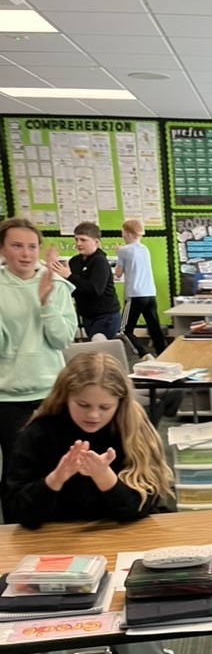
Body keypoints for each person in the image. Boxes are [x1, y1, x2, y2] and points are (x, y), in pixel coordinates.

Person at [4, 352, 182, 654]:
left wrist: (107, 481)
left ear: (120, 403)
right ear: (65, 395)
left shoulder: (133, 426)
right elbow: (16, 513)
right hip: (53, 550)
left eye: (105, 406)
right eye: (83, 405)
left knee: (130, 607)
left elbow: (153, 506)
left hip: (122, 543)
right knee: (22, 614)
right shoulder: (39, 434)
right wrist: (56, 479)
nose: (94, 414)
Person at [0, 217, 77, 517]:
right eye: (17, 245)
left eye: (32, 246)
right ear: (3, 249)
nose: (26, 253)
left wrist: (45, 304)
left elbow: (61, 340)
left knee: (60, 464)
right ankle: (13, 535)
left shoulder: (56, 285)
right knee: (17, 469)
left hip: (51, 392)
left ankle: (60, 528)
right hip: (8, 396)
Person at [51, 222, 121, 340]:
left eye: (83, 240)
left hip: (105, 316)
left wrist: (69, 276)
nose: (78, 243)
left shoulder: (100, 262)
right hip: (88, 316)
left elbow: (95, 290)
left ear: (96, 242)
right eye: (76, 239)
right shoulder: (74, 261)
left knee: (98, 348)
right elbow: (74, 289)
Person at [114, 219, 166, 358]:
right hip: (150, 293)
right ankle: (163, 354)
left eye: (123, 233)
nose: (122, 236)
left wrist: (118, 253)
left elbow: (118, 274)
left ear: (129, 234)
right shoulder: (145, 249)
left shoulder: (124, 250)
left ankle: (143, 355)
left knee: (125, 330)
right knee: (154, 328)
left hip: (135, 295)